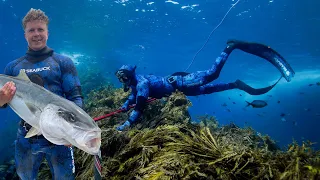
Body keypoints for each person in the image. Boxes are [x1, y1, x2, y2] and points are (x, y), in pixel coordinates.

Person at [115, 39, 295, 131]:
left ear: (129, 75)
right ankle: (236, 84)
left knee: (212, 74)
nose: (123, 81)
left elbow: (139, 106)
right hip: (180, 87)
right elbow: (133, 96)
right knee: (208, 90)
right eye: (121, 79)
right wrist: (125, 104)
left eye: (124, 78)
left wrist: (127, 123)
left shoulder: (142, 84)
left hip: (182, 82)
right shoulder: (136, 82)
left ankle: (230, 47)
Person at [0, 8, 83, 179]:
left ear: (48, 32)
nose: (36, 34)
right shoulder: (12, 68)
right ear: (25, 34)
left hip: (60, 138)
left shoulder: (62, 62)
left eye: (40, 29)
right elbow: (3, 103)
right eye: (31, 30)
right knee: (25, 177)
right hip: (26, 138)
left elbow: (75, 98)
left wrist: (71, 131)